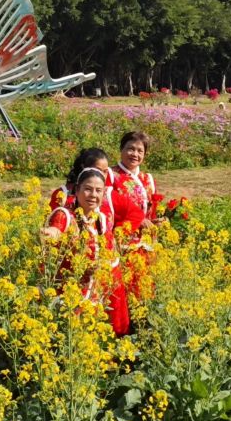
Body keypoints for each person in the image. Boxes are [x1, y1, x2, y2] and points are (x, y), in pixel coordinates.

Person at [42, 156, 127, 335]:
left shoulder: (101, 219)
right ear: (77, 190)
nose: (93, 195)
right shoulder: (65, 215)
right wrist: (52, 233)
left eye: (98, 191)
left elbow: (108, 254)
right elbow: (57, 228)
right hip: (66, 293)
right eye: (88, 189)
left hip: (93, 293)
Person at [109, 130, 162, 304]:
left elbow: (151, 211)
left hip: (145, 243)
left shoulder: (147, 178)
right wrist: (137, 221)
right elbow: (108, 209)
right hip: (122, 243)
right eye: (130, 149)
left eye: (140, 151)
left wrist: (157, 221)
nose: (135, 154)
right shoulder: (111, 176)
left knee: (144, 289)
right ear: (121, 150)